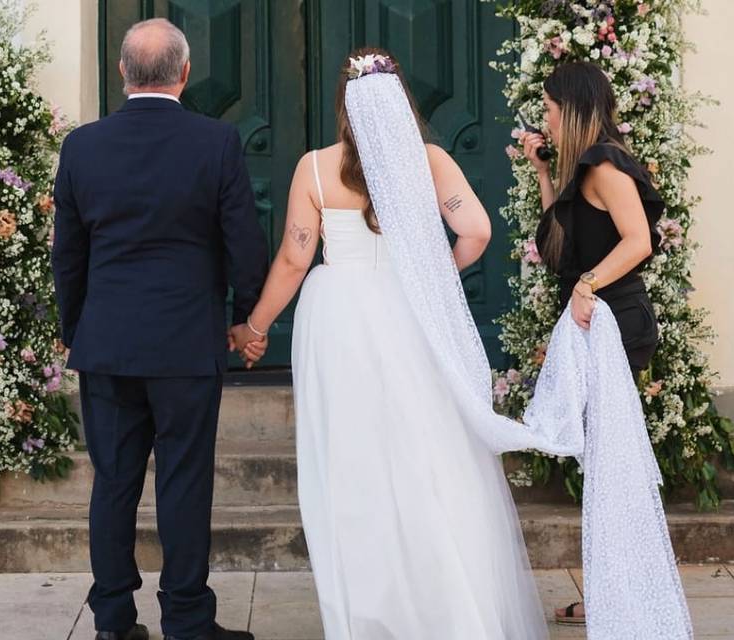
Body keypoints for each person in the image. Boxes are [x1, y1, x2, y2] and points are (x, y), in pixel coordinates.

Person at [230, 47, 548, 639]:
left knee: (350, 462)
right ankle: (445, 605)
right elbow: (476, 230)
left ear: (346, 106)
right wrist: (432, 275)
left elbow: (297, 257)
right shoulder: (429, 161)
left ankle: (367, 614)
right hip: (408, 315)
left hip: (339, 320)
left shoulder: (316, 168)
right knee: (425, 455)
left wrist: (255, 326)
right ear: (402, 103)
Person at [51, 18, 268, 640]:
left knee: (113, 483)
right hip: (186, 345)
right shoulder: (215, 141)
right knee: (184, 481)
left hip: (108, 344)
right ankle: (187, 620)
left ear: (123, 72)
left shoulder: (82, 146)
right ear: (185, 74)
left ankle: (114, 622)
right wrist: (247, 322)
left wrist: (75, 327)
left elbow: (68, 254)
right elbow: (243, 244)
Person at [520, 60, 665, 625]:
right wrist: (542, 174)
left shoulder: (606, 166)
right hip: (592, 325)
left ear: (573, 109)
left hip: (616, 324)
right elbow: (561, 248)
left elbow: (639, 241)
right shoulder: (580, 173)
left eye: (551, 111)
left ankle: (620, 594)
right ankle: (612, 587)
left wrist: (588, 284)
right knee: (604, 469)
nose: (546, 123)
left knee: (612, 468)